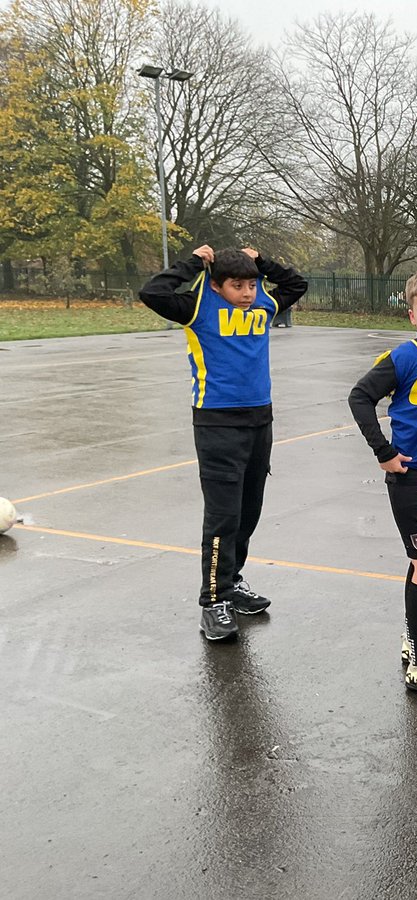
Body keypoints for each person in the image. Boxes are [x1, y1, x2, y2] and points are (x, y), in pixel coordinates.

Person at [138, 245, 308, 641]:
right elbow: (152, 292)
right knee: (223, 517)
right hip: (217, 423)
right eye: (237, 286)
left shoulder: (264, 304)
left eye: (252, 285)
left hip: (260, 420)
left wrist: (261, 262)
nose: (247, 293)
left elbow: (296, 284)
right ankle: (213, 600)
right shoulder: (197, 306)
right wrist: (195, 263)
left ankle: (231, 583)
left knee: (248, 511)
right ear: (216, 286)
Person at [347, 270, 417, 698]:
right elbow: (360, 396)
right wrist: (383, 451)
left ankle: (415, 640)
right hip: (412, 477)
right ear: (412, 314)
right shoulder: (405, 357)